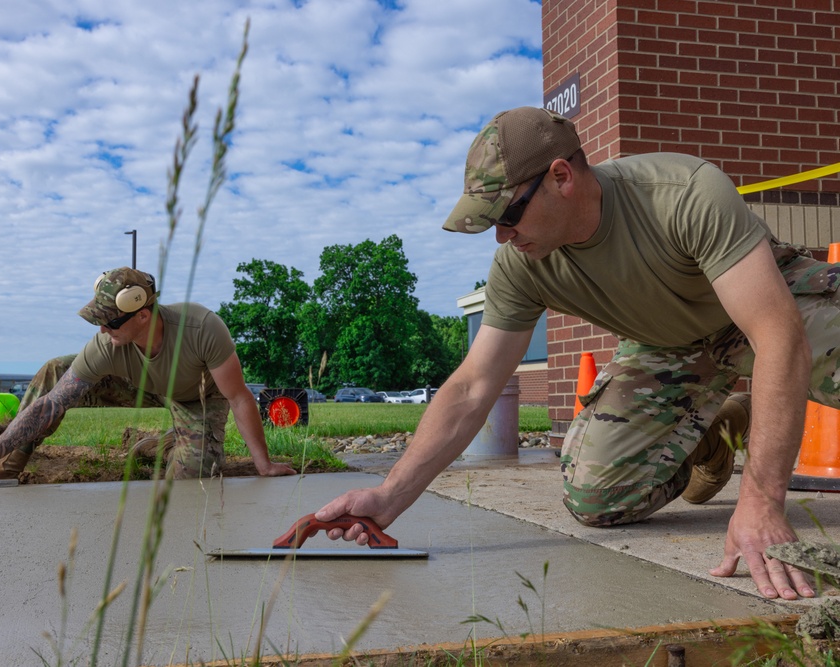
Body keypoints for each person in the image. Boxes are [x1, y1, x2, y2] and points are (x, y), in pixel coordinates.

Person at [316, 106, 840, 600]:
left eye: (510, 213)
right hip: (670, 347)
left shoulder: (682, 193)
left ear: (562, 177)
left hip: (771, 309)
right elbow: (474, 384)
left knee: (785, 345)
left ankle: (758, 419)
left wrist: (762, 500)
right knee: (597, 497)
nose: (502, 236)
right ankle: (715, 434)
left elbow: (777, 335)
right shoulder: (521, 265)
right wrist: (389, 496)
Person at [0, 267, 296, 485]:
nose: (102, 332)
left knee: (190, 482)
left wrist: (263, 464)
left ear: (142, 315)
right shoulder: (107, 345)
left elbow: (239, 397)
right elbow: (50, 405)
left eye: (109, 322)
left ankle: (167, 444)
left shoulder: (202, 329)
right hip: (138, 385)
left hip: (195, 395)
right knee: (56, 370)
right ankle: (4, 469)